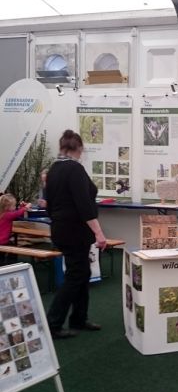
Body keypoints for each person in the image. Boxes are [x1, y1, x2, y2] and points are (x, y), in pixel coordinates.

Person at [45, 129, 107, 339]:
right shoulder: (74, 169)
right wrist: (99, 233)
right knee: (76, 275)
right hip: (74, 231)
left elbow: (49, 204)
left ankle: (79, 318)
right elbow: (84, 205)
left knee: (82, 273)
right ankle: (53, 323)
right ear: (79, 148)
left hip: (62, 229)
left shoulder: (53, 169)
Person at [0, 194, 31, 264]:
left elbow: (16, 213)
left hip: (2, 241)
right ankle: (11, 265)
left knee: (10, 249)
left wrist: (22, 207)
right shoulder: (7, 215)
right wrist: (26, 207)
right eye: (14, 206)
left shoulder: (2, 214)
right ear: (7, 207)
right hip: (2, 242)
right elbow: (17, 213)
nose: (15, 207)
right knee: (12, 251)